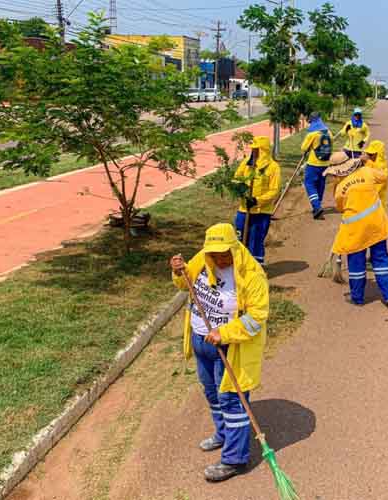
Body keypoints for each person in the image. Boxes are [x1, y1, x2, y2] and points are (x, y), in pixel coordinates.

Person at [169, 223, 270, 482]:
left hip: (230, 347)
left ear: (235, 248)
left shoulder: (251, 274)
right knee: (212, 393)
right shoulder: (203, 260)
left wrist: (224, 334)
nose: (220, 258)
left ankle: (234, 459)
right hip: (201, 341)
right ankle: (223, 434)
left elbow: (257, 317)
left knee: (232, 401)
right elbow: (185, 284)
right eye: (214, 253)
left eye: (225, 253)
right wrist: (178, 272)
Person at [326, 157, 388, 308]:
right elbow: (384, 175)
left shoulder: (341, 188)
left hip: (355, 231)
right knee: (381, 261)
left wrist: (338, 184)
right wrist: (369, 162)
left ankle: (357, 298)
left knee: (356, 264)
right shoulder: (367, 172)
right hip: (377, 227)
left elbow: (340, 207)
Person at [233, 135, 281, 267]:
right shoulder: (246, 164)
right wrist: (240, 189)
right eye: (253, 149)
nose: (254, 152)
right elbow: (237, 177)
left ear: (264, 150)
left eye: (257, 150)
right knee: (239, 238)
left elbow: (274, 190)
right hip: (244, 210)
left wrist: (257, 201)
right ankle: (239, 266)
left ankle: (256, 268)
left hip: (261, 213)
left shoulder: (273, 167)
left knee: (256, 240)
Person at [301, 111, 334, 219]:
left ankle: (316, 205)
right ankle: (317, 207)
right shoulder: (328, 132)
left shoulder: (312, 134)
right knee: (321, 184)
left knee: (309, 183)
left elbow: (303, 148)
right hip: (326, 163)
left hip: (313, 164)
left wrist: (310, 147)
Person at [362, 140, 388, 207]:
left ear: (378, 154)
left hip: (375, 207)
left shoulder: (381, 168)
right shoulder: (373, 163)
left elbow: (374, 189)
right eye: (368, 154)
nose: (368, 156)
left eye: (370, 154)